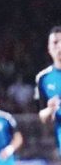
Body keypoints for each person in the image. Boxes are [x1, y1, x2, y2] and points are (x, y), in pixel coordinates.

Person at [35, 25, 61, 157]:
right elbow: (42, 115)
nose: (60, 46)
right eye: (55, 42)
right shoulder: (43, 78)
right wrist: (50, 109)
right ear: (49, 48)